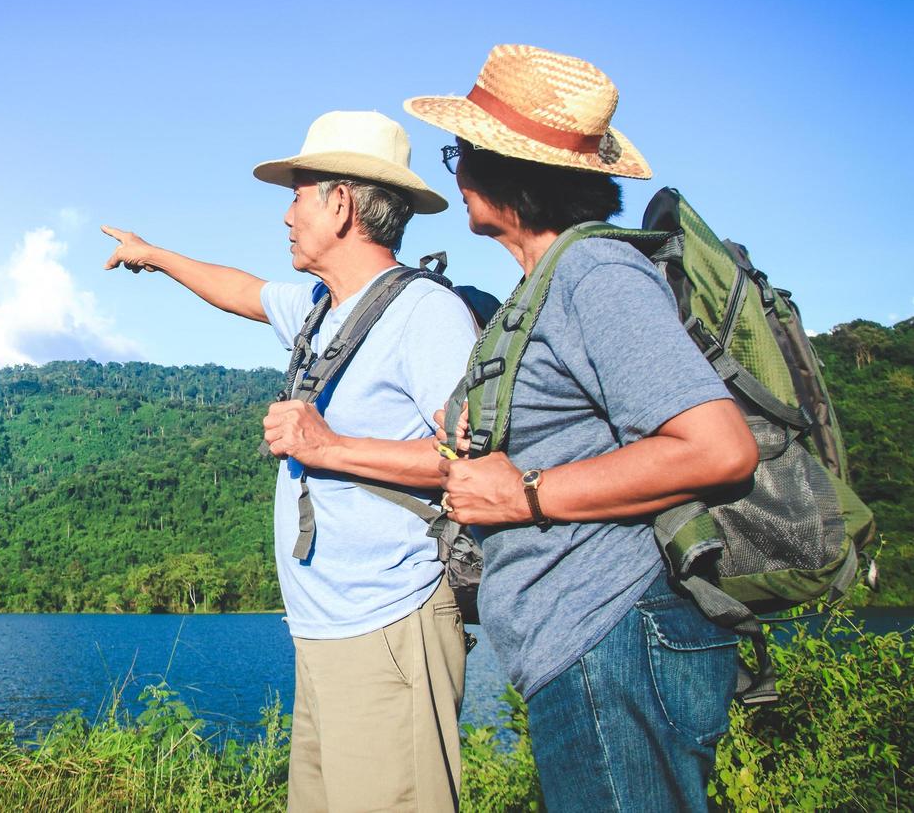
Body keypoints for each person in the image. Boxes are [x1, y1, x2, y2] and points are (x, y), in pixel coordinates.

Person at [402, 44, 759, 811]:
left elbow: (719, 446)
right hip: (585, 640)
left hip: (613, 630)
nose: (455, 171)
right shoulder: (545, 283)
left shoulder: (596, 276)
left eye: (462, 152)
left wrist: (526, 493)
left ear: (511, 174)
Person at [103, 110, 478, 811]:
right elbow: (242, 291)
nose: (286, 214)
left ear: (341, 203)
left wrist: (328, 446)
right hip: (325, 627)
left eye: (299, 193)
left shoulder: (425, 314)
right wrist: (152, 255)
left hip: (389, 623)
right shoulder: (320, 306)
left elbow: (476, 465)